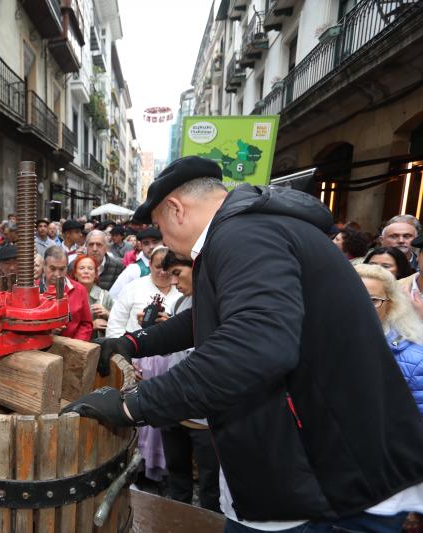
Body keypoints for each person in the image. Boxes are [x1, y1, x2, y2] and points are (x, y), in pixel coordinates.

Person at [63, 155, 423, 531]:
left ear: (176, 209)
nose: (163, 239)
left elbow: (255, 344)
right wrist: (133, 343)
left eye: (158, 225)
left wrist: (131, 406)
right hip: (310, 473)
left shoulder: (245, 235)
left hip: (331, 485)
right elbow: (214, 317)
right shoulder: (249, 230)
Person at [158, 251, 220, 512]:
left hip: (206, 417)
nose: (173, 282)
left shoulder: (220, 306)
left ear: (196, 269)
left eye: (177, 273)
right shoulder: (181, 303)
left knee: (210, 488)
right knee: (177, 479)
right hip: (175, 410)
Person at [356, 263, 423, 414]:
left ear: (391, 305)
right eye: (353, 297)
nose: (362, 306)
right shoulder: (319, 347)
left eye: (373, 300)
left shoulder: (416, 362)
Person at [105, 247, 179, 338]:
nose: (163, 272)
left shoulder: (181, 290)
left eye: (167, 267)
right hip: (134, 348)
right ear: (150, 265)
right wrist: (120, 348)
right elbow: (115, 323)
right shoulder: (133, 287)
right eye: (158, 267)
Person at [42, 246, 92, 341]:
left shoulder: (79, 290)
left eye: (62, 269)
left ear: (67, 267)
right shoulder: (33, 290)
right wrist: (47, 329)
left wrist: (77, 344)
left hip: (72, 347)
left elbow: (86, 324)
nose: (57, 274)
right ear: (44, 265)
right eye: (52, 268)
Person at [108, 228, 163, 299]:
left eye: (155, 242)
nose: (151, 247)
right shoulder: (134, 269)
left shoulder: (173, 265)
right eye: (146, 243)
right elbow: (113, 296)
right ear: (141, 245)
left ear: (162, 242)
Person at [69, 255, 112, 338]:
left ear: (95, 274)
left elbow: (119, 322)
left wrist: (107, 314)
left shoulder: (105, 296)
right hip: (74, 343)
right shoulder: (68, 295)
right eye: (82, 268)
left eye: (90, 268)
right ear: (75, 274)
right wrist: (91, 325)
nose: (86, 271)